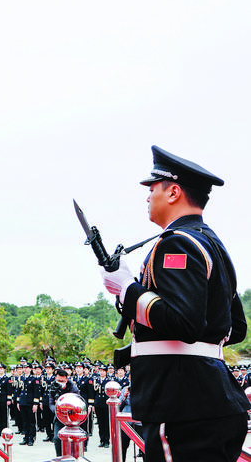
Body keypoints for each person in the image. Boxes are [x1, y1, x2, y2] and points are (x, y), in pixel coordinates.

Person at [100, 145, 250, 462]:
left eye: (152, 187)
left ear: (174, 192)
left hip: (183, 406)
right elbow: (236, 328)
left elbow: (184, 322)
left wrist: (127, 288)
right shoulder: (211, 243)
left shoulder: (177, 244)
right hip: (212, 402)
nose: (147, 196)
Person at [49, 368, 80, 458]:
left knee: (71, 440)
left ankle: (72, 457)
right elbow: (50, 403)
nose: (60, 382)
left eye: (62, 380)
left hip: (72, 418)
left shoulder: (73, 388)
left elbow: (77, 403)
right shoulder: (53, 387)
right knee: (56, 438)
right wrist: (57, 410)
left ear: (66, 379)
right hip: (59, 417)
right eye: (58, 380)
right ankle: (59, 457)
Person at [17, 362, 40, 446]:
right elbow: (19, 391)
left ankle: (31, 438)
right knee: (25, 421)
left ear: (30, 369)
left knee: (31, 421)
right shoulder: (21, 378)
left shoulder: (34, 379)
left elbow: (36, 392)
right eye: (24, 367)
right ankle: (25, 437)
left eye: (27, 367)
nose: (25, 369)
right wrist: (18, 402)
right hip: (23, 402)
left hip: (30, 402)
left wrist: (35, 403)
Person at [93, 365, 111, 448]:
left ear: (106, 372)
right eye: (100, 370)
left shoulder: (109, 380)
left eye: (103, 371)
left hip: (106, 403)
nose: (102, 372)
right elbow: (93, 392)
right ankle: (102, 440)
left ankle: (107, 440)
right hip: (98, 403)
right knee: (100, 422)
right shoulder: (96, 380)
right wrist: (93, 404)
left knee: (106, 422)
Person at [0, 363, 12, 437]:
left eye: (1, 369)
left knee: (4, 416)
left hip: (4, 399)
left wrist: (9, 399)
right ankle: (0, 430)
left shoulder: (7, 379)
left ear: (4, 369)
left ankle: (5, 431)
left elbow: (9, 390)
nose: (0, 370)